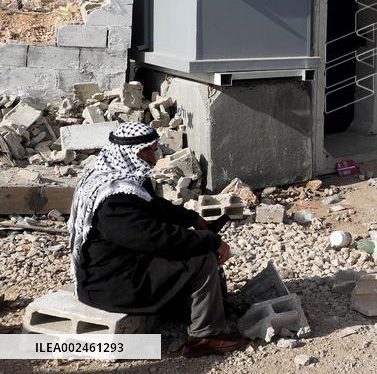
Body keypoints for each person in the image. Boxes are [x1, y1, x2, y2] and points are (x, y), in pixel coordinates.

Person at [70, 123, 245, 357]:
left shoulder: (118, 178)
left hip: (117, 269)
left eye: (154, 149)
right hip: (111, 286)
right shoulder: (114, 200)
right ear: (130, 153)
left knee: (191, 245)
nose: (154, 158)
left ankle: (191, 308)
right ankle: (204, 336)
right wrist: (210, 241)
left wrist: (191, 218)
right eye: (147, 151)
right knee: (201, 257)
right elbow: (157, 238)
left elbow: (152, 207)